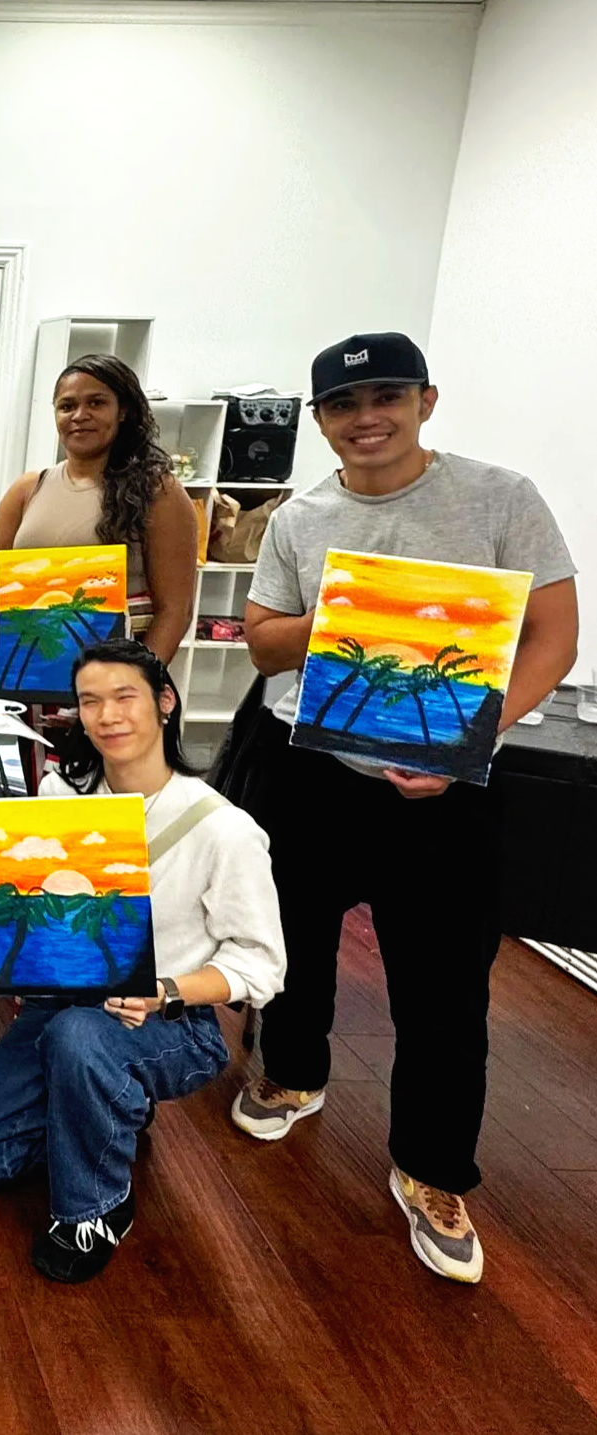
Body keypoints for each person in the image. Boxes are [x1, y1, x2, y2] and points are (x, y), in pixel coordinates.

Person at [226, 332, 579, 1284]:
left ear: (426, 400)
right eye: (343, 405)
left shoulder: (500, 498)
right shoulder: (301, 519)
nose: (365, 418)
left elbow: (554, 638)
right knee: (288, 938)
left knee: (445, 986)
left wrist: (478, 738)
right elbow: (262, 646)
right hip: (313, 772)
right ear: (319, 422)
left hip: (451, 783)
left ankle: (430, 1169)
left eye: (386, 396)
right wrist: (351, 614)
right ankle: (290, 1071)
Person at [0, 639, 286, 1282]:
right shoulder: (60, 795)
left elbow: (263, 968)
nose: (106, 715)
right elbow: (39, 903)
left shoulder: (225, 830)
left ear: (164, 702)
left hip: (170, 1022)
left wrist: (166, 991)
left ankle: (94, 1208)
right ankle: (105, 1104)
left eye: (124, 696)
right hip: (66, 1004)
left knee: (80, 1039)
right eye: (89, 701)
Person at [0, 354, 197, 661]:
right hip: (33, 675)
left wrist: (133, 686)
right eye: (67, 406)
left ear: (123, 411)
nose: (80, 415)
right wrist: (47, 589)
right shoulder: (26, 490)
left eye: (96, 403)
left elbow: (175, 611)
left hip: (118, 682)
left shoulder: (159, 492)